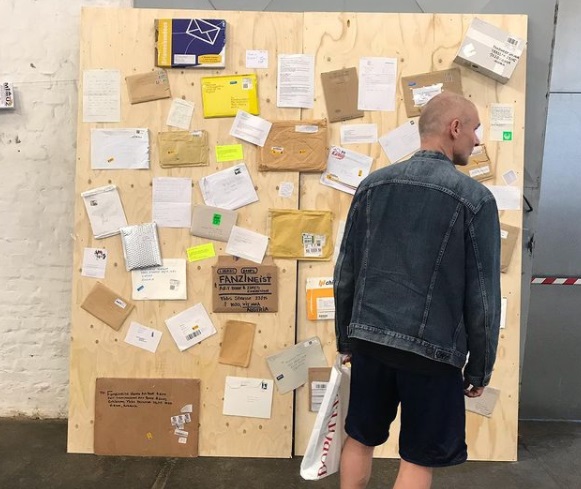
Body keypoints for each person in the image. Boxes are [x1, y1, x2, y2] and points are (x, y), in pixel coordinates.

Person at [334, 92, 501, 489]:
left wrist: (347, 338)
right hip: (433, 353)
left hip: (370, 342)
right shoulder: (475, 199)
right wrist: (480, 367)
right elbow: (483, 295)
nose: (477, 139)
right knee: (417, 457)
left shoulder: (372, 185)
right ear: (455, 128)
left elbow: (345, 274)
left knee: (359, 437)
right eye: (475, 128)